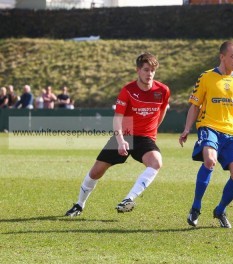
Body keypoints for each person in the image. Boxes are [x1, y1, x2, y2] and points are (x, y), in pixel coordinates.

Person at [65, 52, 170, 217]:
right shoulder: (127, 91)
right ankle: (79, 204)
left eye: (152, 70)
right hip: (125, 134)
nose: (149, 74)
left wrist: (153, 130)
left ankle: (129, 199)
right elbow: (117, 119)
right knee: (96, 172)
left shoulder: (163, 90)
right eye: (146, 69)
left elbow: (162, 110)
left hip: (144, 138)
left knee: (156, 162)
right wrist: (120, 141)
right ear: (138, 70)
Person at [179, 41, 233, 229]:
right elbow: (195, 105)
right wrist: (187, 128)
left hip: (232, 134)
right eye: (232, 56)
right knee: (210, 160)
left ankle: (220, 210)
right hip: (209, 127)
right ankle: (196, 207)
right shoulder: (206, 77)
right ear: (222, 57)